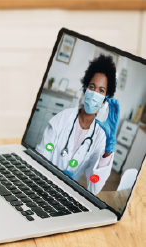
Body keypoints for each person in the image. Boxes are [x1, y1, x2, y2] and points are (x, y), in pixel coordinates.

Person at [36, 54, 119, 194]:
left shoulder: (100, 137)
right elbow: (41, 156)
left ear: (106, 97)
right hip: (42, 183)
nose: (95, 93)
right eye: (92, 87)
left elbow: (93, 187)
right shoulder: (62, 118)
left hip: (68, 194)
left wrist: (108, 150)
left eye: (101, 90)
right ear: (85, 87)